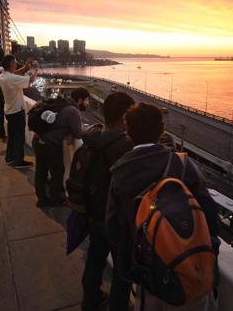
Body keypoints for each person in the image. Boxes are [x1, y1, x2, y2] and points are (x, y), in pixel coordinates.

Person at [106, 103, 220, 311]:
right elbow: (211, 219)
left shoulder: (120, 172)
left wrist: (130, 266)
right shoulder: (183, 165)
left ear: (128, 132)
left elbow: (114, 227)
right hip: (188, 269)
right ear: (161, 129)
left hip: (148, 271)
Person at [79, 92, 136, 311]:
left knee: (95, 258)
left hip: (93, 212)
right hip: (116, 219)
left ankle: (90, 300)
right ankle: (118, 307)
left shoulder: (93, 138)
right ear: (124, 117)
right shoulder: (124, 146)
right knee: (122, 269)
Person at [33, 87, 90, 207]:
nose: (87, 103)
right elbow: (78, 134)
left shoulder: (62, 104)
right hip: (50, 144)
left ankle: (41, 199)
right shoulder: (73, 111)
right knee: (57, 172)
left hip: (38, 140)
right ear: (79, 100)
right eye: (86, 100)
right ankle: (57, 199)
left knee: (41, 171)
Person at [0, 55, 39, 168]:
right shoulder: (10, 78)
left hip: (9, 110)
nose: (16, 65)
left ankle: (10, 157)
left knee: (12, 136)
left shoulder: (3, 75)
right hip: (16, 112)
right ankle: (18, 161)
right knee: (19, 138)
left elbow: (14, 74)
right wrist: (36, 70)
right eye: (15, 63)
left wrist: (26, 68)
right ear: (11, 65)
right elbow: (30, 80)